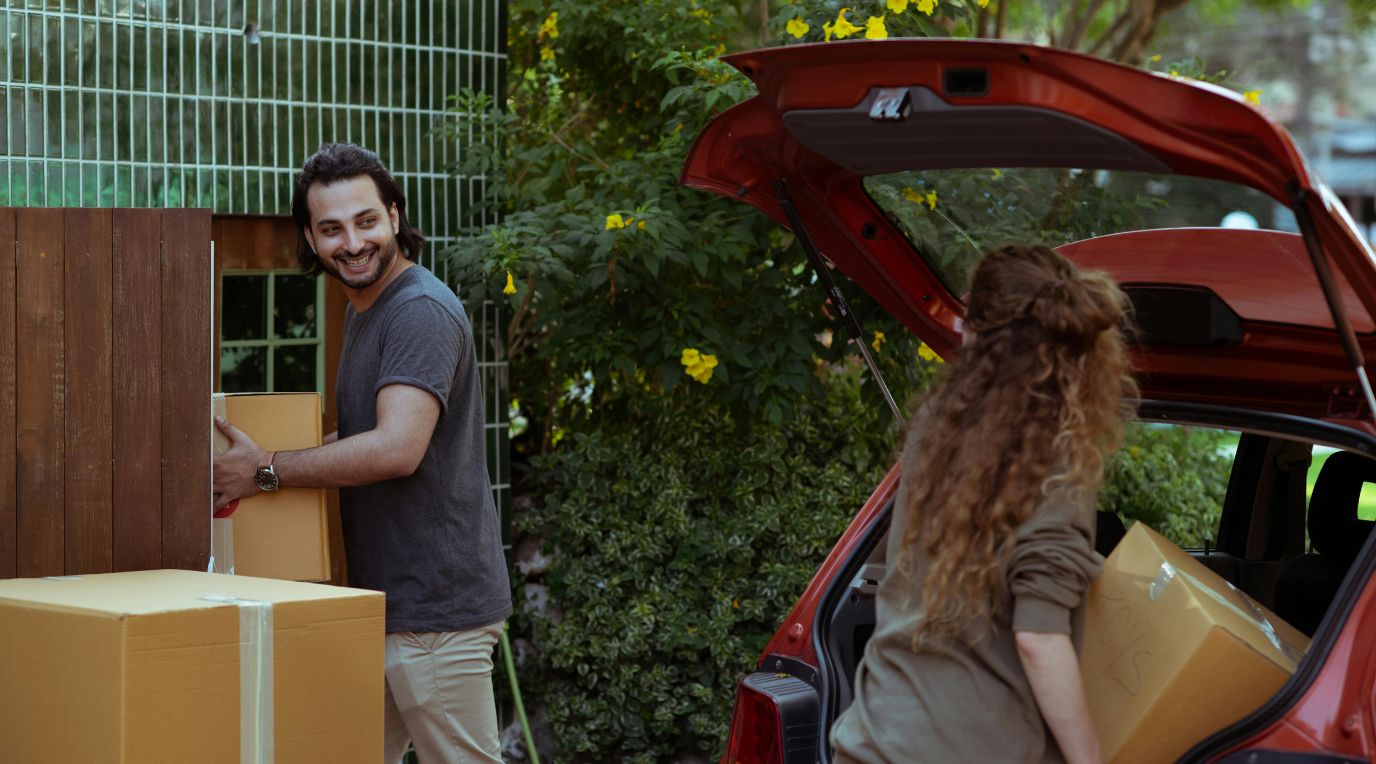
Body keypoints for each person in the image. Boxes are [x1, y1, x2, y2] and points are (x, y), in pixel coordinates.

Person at [212, 143, 512, 764]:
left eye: (366, 220)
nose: (351, 242)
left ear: (395, 217)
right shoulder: (367, 310)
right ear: (310, 238)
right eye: (331, 229)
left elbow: (396, 449)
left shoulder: (419, 312)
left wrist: (268, 470)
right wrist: (261, 464)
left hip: (435, 615)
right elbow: (363, 437)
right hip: (388, 606)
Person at [829, 244, 1137, 764]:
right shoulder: (1053, 467)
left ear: (974, 334)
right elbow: (1039, 638)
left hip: (872, 739)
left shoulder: (937, 429)